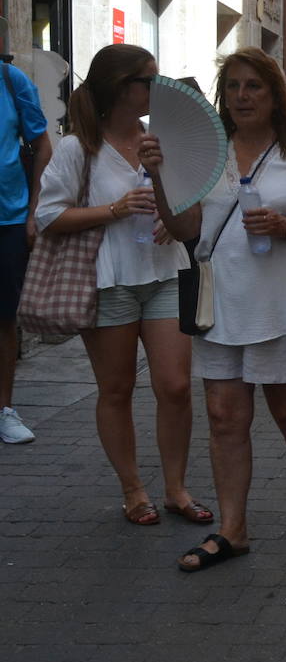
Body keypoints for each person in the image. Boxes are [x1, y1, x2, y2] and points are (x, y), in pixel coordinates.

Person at [142, 47, 286, 571]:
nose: (241, 96)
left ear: (275, 94)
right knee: (223, 415)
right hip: (222, 303)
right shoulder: (205, 155)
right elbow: (187, 230)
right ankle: (233, 530)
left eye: (253, 86)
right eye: (232, 86)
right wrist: (162, 178)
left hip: (284, 306)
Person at [34, 45, 204, 525]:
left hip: (164, 270)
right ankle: (133, 489)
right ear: (120, 87)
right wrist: (114, 209)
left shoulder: (160, 140)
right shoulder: (78, 147)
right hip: (109, 280)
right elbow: (48, 216)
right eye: (148, 80)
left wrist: (170, 211)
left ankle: (176, 488)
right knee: (117, 388)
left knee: (174, 386)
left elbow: (191, 212)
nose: (158, 88)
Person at [0, 57, 53, 445]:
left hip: (8, 218)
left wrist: (34, 210)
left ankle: (5, 409)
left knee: (4, 318)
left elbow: (42, 145)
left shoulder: (9, 79)